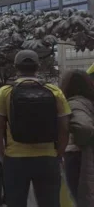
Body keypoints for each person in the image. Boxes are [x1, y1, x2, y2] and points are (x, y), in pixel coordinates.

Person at [0, 50, 70, 207]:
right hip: (47, 158)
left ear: (16, 67)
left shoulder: (5, 92)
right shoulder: (55, 92)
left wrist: (2, 156)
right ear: (38, 67)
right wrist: (58, 154)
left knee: (16, 203)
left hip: (15, 159)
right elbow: (64, 129)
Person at [60, 69, 94, 206]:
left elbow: (84, 127)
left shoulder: (74, 103)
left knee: (82, 198)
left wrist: (83, 142)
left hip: (77, 156)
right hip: (85, 155)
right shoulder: (88, 102)